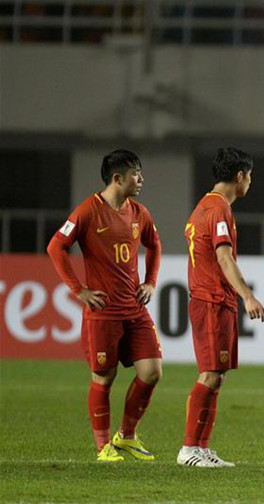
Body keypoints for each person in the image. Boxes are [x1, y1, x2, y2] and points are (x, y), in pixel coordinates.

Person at [47, 149, 162, 462]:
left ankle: (126, 436)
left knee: (152, 372)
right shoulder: (87, 211)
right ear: (117, 177)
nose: (141, 179)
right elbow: (56, 246)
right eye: (136, 173)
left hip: (134, 309)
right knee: (104, 377)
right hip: (104, 311)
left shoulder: (139, 212)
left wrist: (150, 281)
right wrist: (79, 290)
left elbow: (154, 244)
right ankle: (102, 447)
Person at [178, 147, 264, 467]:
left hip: (214, 300)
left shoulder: (205, 205)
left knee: (216, 375)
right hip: (212, 300)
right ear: (240, 176)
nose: (251, 182)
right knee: (210, 374)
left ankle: (201, 448)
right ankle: (190, 448)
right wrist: (247, 295)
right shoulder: (218, 210)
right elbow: (223, 257)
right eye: (250, 176)